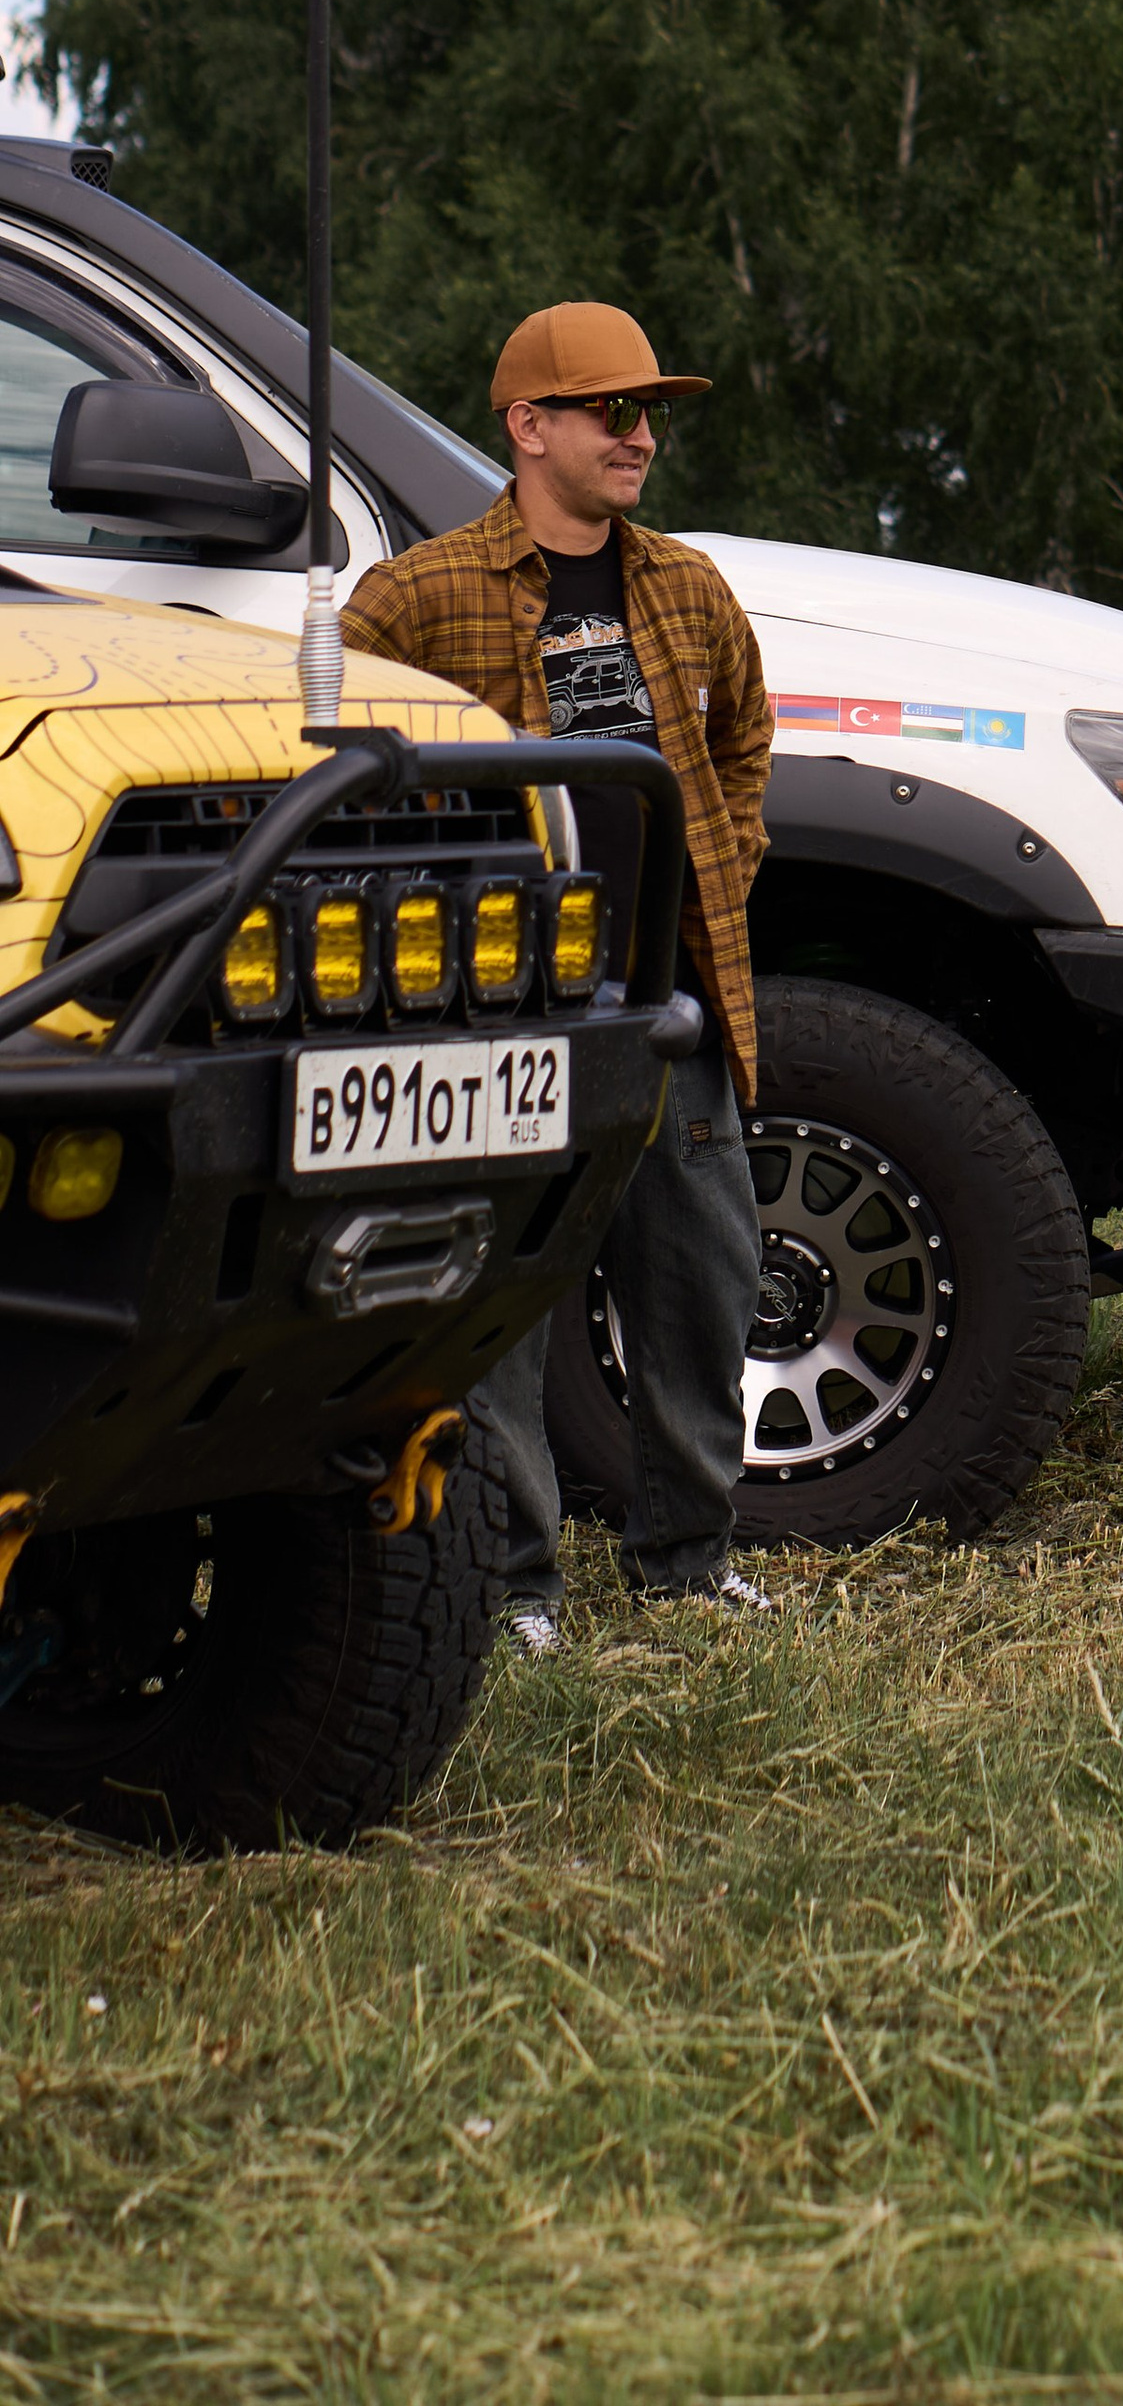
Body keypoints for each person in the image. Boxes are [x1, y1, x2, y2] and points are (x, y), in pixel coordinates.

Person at [340, 302, 776, 1647]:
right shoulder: (415, 594)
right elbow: (342, 775)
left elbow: (746, 738)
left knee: (706, 1276)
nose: (641, 435)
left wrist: (722, 864)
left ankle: (689, 1558)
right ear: (529, 427)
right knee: (505, 1301)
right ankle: (518, 1582)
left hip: (667, 998)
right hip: (502, 1013)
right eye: (611, 411)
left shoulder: (688, 586)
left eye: (648, 412)